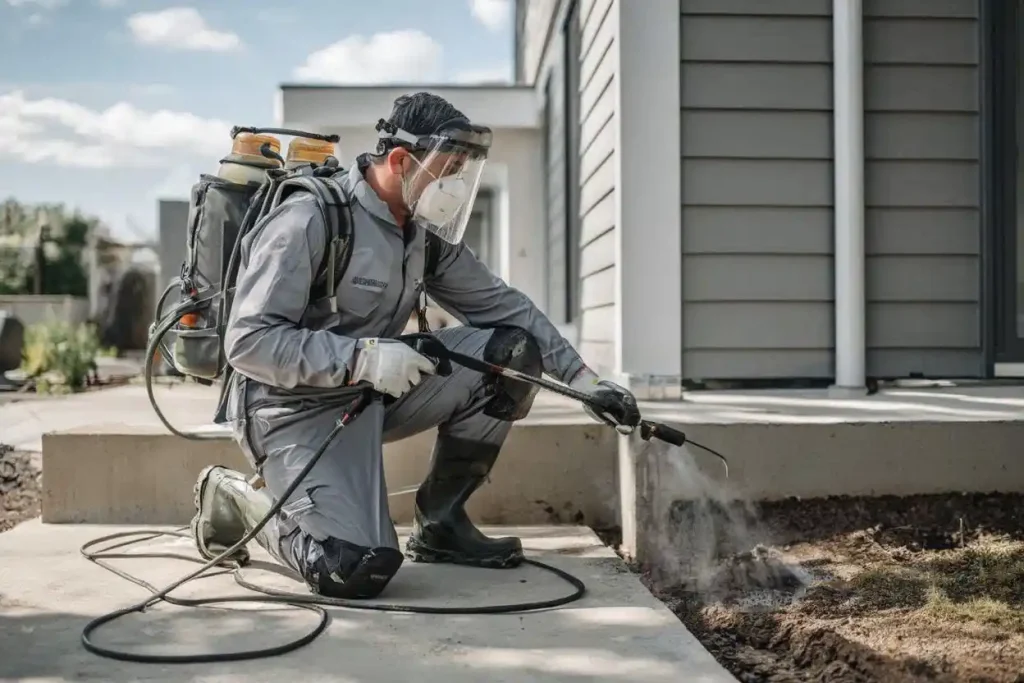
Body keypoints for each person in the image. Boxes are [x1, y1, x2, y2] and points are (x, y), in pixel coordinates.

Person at [189, 92, 640, 600]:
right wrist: (360, 357)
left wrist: (585, 381)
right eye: (448, 169)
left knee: (510, 355)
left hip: (368, 390)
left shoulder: (421, 234)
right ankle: (233, 497)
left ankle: (441, 525)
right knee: (353, 569)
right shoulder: (310, 219)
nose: (457, 184)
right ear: (401, 160)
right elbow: (248, 342)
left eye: (463, 171)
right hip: (286, 406)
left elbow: (505, 308)